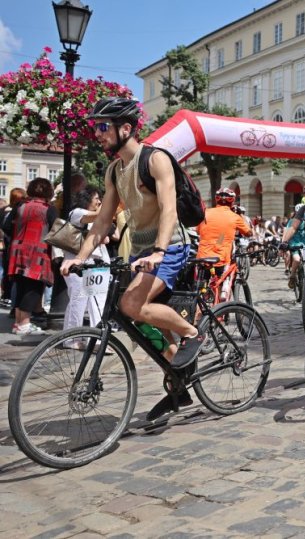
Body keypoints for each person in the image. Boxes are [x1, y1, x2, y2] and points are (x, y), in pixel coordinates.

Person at [61, 96, 201, 421]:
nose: (97, 133)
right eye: (95, 127)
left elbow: (169, 210)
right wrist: (79, 258)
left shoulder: (155, 160)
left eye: (102, 127)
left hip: (170, 247)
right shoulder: (114, 170)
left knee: (130, 305)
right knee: (137, 318)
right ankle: (178, 384)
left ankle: (194, 334)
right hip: (140, 252)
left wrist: (159, 252)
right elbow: (102, 222)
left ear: (126, 128)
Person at [7, 178, 57, 335]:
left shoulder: (20, 206)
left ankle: (18, 323)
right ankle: (24, 324)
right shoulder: (49, 209)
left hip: (18, 249)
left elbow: (6, 226)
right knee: (34, 287)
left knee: (20, 285)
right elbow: (56, 231)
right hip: (38, 251)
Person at [63, 187, 111, 346]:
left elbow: (106, 240)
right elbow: (97, 216)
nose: (99, 201)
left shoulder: (95, 219)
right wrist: (112, 202)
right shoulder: (76, 213)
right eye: (97, 198)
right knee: (78, 301)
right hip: (78, 265)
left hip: (96, 264)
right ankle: (71, 339)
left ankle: (95, 340)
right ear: (87, 199)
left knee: (97, 303)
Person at [196, 188, 252, 284]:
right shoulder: (234, 217)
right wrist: (240, 215)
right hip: (221, 257)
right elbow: (249, 233)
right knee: (219, 283)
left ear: (216, 199)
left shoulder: (205, 212)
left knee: (202, 283)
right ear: (232, 201)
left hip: (203, 256)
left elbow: (198, 231)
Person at [283, 204, 305, 280]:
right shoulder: (291, 221)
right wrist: (283, 242)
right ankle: (293, 275)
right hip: (294, 244)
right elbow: (286, 232)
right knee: (297, 259)